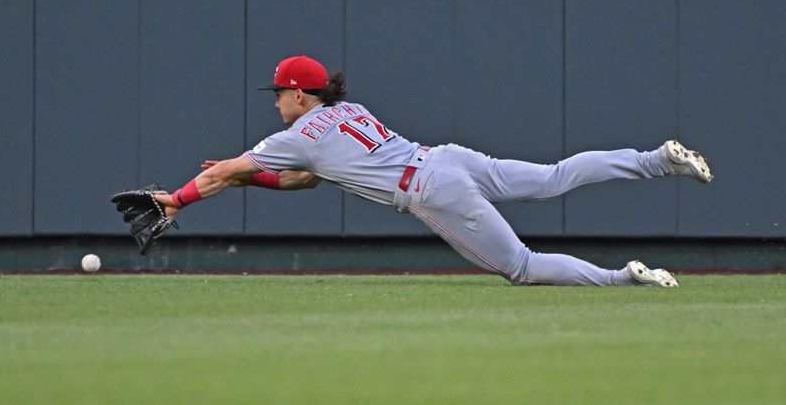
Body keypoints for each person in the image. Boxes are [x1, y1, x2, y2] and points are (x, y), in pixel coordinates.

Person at [155, 55, 713, 287]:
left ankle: (622, 279)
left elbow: (221, 172)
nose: (276, 101)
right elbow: (305, 178)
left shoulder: (298, 132)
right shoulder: (348, 111)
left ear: (300, 95)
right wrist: (246, 175)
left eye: (280, 93)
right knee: (553, 176)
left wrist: (177, 199)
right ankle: (655, 160)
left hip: (426, 187)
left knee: (520, 266)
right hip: (445, 157)